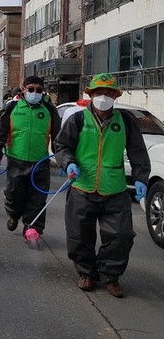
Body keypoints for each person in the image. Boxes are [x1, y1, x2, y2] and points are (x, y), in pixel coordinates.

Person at [54, 73, 150, 298]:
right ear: (90, 95)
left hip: (115, 189)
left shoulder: (125, 121)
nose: (103, 97)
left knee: (121, 236)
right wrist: (68, 164)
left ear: (115, 96)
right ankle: (86, 272)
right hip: (82, 187)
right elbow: (62, 146)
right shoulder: (77, 120)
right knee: (79, 235)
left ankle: (111, 275)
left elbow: (137, 151)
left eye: (108, 93)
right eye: (99, 93)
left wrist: (140, 177)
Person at [0, 76, 61, 239]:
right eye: (31, 89)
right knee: (14, 195)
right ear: (23, 89)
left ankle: (32, 227)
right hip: (16, 160)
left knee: (38, 198)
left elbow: (58, 139)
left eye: (39, 90)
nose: (34, 93)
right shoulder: (12, 107)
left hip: (40, 163)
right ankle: (13, 215)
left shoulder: (50, 110)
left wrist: (64, 160)